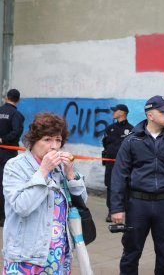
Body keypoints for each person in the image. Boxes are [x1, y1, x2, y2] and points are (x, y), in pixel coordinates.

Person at [110, 95, 164, 275]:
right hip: (137, 205)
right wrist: (116, 208)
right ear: (150, 115)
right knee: (131, 253)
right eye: (163, 111)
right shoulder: (132, 140)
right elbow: (119, 175)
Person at [2, 112, 87, 273]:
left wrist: (70, 174)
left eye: (58, 140)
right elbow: (21, 207)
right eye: (47, 139)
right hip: (26, 256)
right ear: (33, 141)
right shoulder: (15, 166)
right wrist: (43, 172)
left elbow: (81, 204)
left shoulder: (61, 167)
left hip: (58, 254)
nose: (54, 146)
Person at [102, 103, 133, 222]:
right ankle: (111, 211)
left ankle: (125, 210)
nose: (113, 112)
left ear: (123, 113)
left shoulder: (131, 129)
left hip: (125, 164)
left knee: (125, 187)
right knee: (110, 186)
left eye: (115, 110)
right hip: (111, 164)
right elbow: (105, 143)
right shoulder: (110, 128)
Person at [0, 88, 25, 226]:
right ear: (18, 100)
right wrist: (3, 140)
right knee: (7, 184)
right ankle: (4, 216)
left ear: (6, 97)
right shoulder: (16, 114)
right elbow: (16, 132)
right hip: (8, 154)